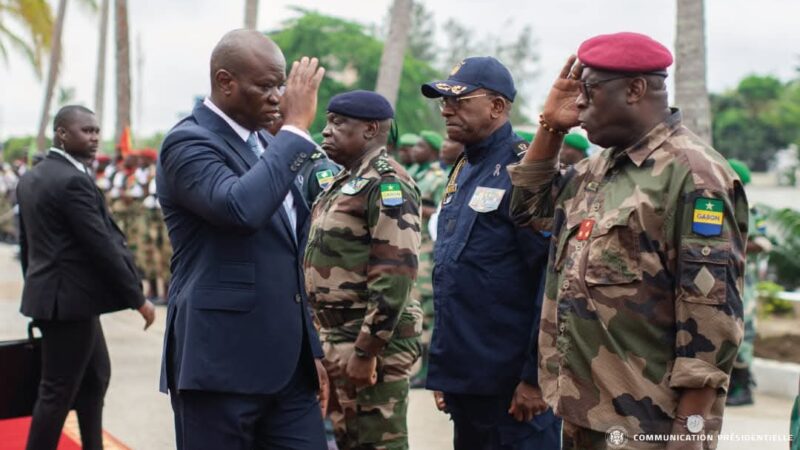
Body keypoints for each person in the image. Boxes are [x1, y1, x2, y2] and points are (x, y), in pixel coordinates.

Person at [507, 32, 747, 449]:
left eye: (589, 91)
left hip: (648, 426)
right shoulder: (596, 169)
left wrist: (689, 437)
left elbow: (711, 321)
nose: (578, 103)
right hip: (587, 414)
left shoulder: (694, 175)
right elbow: (527, 210)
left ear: (635, 89)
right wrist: (549, 128)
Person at [156, 30, 328, 449]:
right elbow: (239, 209)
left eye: (281, 85)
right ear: (225, 82)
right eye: (265, 85)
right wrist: (296, 130)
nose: (277, 95)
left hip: (288, 368)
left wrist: (313, 350)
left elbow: (287, 259)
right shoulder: (189, 142)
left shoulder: (269, 146)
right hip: (222, 365)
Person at [420, 56, 560, 449]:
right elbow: (455, 274)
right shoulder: (464, 165)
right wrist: (447, 373)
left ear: (497, 106)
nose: (446, 109)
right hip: (469, 380)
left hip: (514, 390)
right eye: (443, 101)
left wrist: (534, 377)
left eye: (460, 101)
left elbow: (549, 279)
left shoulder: (526, 169)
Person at [16, 105, 155, 450]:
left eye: (96, 131)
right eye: (86, 131)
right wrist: (137, 298)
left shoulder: (34, 176)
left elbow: (28, 244)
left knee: (95, 379)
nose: (94, 138)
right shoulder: (72, 180)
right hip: (69, 304)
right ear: (62, 133)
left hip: (61, 299)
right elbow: (101, 246)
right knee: (56, 392)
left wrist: (37, 290)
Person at [304, 90, 423, 449]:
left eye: (339, 123)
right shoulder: (344, 180)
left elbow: (395, 275)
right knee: (349, 438)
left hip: (371, 342)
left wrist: (365, 352)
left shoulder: (387, 183)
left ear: (371, 130)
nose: (326, 131)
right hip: (339, 337)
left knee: (377, 442)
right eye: (327, 121)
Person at [726, 159, 770, 406]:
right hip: (722, 279)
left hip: (745, 283)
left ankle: (743, 389)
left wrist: (732, 246)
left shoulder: (751, 210)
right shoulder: (719, 205)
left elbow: (762, 243)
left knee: (743, 333)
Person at [408, 129, 447, 388]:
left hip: (428, 248)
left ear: (432, 151)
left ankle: (427, 371)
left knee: (428, 312)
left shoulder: (438, 178)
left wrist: (416, 209)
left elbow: (443, 210)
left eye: (421, 145)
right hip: (412, 248)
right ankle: (417, 368)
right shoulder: (415, 173)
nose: (414, 149)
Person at [267, 110, 341, 205]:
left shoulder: (321, 169)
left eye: (276, 116)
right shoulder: (281, 162)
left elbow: (330, 214)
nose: (268, 124)